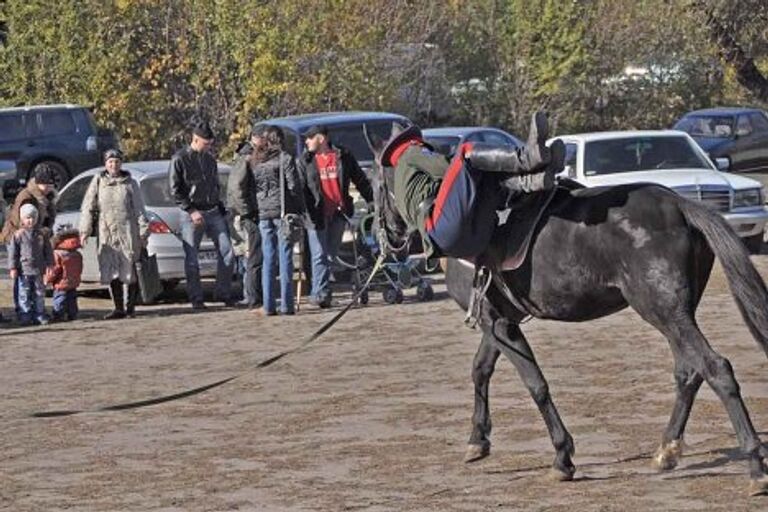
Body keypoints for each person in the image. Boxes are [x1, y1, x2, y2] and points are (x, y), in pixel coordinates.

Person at [380, 112, 565, 261]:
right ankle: (527, 158)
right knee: (466, 154)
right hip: (445, 226)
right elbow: (446, 167)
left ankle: (534, 180)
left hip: (457, 241)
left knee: (480, 178)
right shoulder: (411, 152)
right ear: (408, 141)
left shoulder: (400, 183)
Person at [299, 125, 374, 308]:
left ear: (321, 138)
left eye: (310, 138)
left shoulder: (343, 156)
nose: (306, 141)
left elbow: (360, 179)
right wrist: (301, 211)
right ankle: (321, 294)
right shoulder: (306, 160)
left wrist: (373, 200)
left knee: (330, 256)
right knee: (319, 256)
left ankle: (319, 292)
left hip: (339, 213)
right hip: (315, 215)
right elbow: (300, 189)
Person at [169, 117, 235, 309]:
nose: (208, 147)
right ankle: (196, 298)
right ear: (195, 139)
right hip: (191, 213)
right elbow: (175, 189)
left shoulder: (209, 159)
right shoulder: (180, 159)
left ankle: (223, 292)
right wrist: (191, 210)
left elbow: (214, 185)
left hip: (213, 211)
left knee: (227, 252)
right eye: (206, 144)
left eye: (210, 144)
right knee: (192, 258)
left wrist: (221, 207)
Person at [80, 149, 149, 319]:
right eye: (110, 162)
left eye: (117, 161)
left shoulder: (130, 183)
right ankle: (118, 307)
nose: (114, 165)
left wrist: (143, 232)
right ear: (105, 163)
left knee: (130, 268)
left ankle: (130, 307)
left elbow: (139, 208)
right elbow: (88, 207)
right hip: (107, 231)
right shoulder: (98, 181)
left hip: (127, 230)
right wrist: (85, 230)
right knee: (111, 269)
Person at [251, 125, 304, 316]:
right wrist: (299, 208)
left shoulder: (256, 161)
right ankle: (287, 305)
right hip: (282, 213)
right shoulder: (285, 159)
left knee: (268, 260)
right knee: (285, 258)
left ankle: (268, 305)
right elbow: (293, 187)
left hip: (264, 213)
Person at [0, 163, 58, 319]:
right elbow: (18, 219)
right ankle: (23, 311)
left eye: (50, 184)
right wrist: (28, 233)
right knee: (21, 276)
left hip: (36, 238)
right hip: (18, 237)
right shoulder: (26, 196)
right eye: (45, 184)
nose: (47, 187)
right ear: (38, 182)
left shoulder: (48, 197)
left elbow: (48, 220)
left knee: (35, 279)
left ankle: (36, 310)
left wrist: (45, 233)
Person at [226, 124, 265, 308]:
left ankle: (254, 295)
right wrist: (247, 211)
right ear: (256, 138)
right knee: (252, 256)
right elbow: (236, 187)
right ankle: (252, 297)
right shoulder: (247, 157)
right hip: (248, 214)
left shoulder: (251, 155)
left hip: (251, 212)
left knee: (252, 256)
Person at [8, 204, 53, 326]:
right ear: (22, 219)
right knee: (24, 293)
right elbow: (13, 253)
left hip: (39, 269)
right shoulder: (18, 235)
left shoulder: (42, 235)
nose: (31, 220)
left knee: (39, 293)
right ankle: (25, 314)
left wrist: (50, 265)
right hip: (24, 270)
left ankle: (39, 313)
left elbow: (48, 251)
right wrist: (13, 267)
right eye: (28, 217)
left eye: (33, 217)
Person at [46, 227, 83, 322]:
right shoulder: (77, 254)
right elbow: (80, 268)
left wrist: (48, 279)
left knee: (60, 298)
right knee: (72, 299)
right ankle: (72, 314)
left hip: (61, 283)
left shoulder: (58, 254)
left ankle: (58, 315)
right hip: (73, 282)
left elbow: (55, 269)